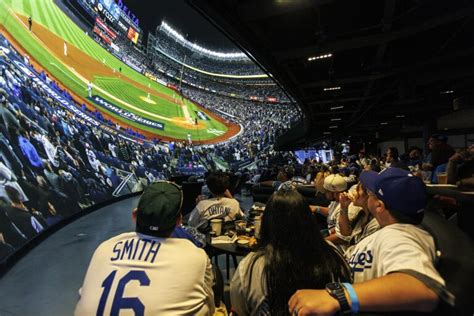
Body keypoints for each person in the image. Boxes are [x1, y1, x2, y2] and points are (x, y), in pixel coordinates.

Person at [288, 168, 447, 315]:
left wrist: (340, 297)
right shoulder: (392, 230)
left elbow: (421, 288)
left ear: (379, 205)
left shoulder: (400, 236)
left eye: (370, 192)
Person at [74, 182, 215, 315]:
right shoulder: (193, 253)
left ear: (135, 215)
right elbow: (209, 305)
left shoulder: (104, 248)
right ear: (178, 221)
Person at [230, 189, 351, 315]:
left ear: (266, 222)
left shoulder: (249, 266)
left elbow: (240, 309)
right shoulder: (332, 253)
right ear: (309, 219)